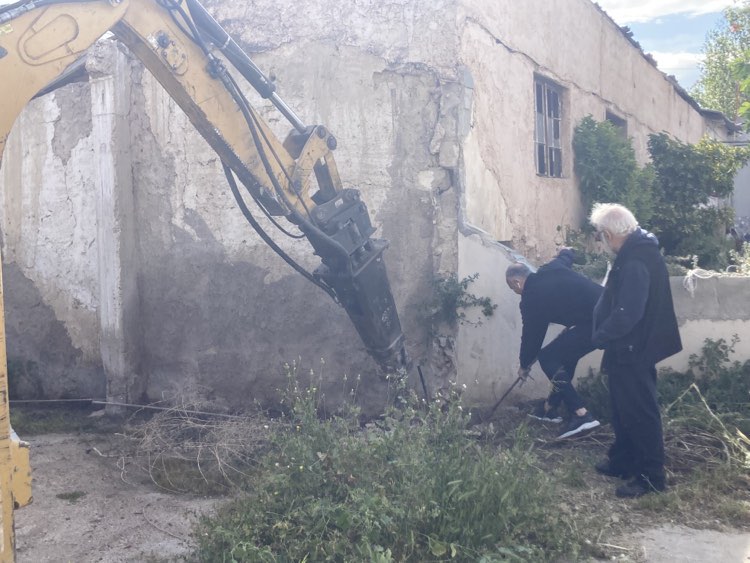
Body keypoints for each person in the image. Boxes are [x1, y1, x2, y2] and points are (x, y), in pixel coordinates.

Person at [589, 203, 682, 498]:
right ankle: (623, 459)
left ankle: (651, 477)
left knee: (640, 412)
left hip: (634, 347)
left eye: (599, 236)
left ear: (607, 234)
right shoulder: (637, 252)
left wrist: (601, 335)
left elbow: (628, 312)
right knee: (622, 407)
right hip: (628, 346)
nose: (601, 242)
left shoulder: (636, 260)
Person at [505, 249, 602, 439]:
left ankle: (581, 414)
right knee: (565, 356)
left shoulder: (530, 298)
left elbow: (532, 337)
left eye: (512, 288)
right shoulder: (551, 268)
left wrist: (524, 364)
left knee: (547, 357)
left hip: (597, 323)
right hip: (607, 313)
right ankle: (550, 408)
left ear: (517, 282)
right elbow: (565, 257)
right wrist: (566, 250)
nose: (515, 292)